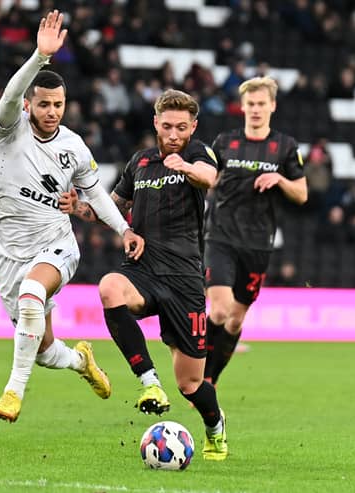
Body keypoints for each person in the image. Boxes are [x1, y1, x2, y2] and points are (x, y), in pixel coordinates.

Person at [0, 10, 145, 423]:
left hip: (55, 244)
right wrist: (40, 57)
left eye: (58, 104)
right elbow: (6, 98)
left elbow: (95, 194)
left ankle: (12, 392)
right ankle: (81, 361)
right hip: (9, 251)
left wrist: (124, 229)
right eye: (44, 104)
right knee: (43, 350)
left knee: (31, 296)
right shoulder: (9, 129)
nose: (52, 111)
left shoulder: (74, 147)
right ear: (29, 105)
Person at [65, 89, 228, 461]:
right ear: (156, 122)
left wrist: (185, 167)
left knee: (190, 384)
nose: (174, 135)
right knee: (109, 287)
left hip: (185, 280)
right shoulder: (139, 162)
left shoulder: (196, 153)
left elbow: (211, 177)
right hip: (143, 270)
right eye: (167, 126)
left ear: (193, 127)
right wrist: (79, 207)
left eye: (182, 128)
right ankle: (150, 384)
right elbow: (111, 208)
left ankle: (216, 425)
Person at [203, 76, 307, 387]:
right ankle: (199, 379)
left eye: (262, 104)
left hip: (258, 244)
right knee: (219, 311)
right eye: (251, 104)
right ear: (243, 106)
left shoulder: (285, 147)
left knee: (235, 320)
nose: (256, 109)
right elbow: (209, 178)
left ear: (272, 106)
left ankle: (212, 379)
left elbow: (302, 194)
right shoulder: (224, 142)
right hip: (219, 237)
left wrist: (280, 180)